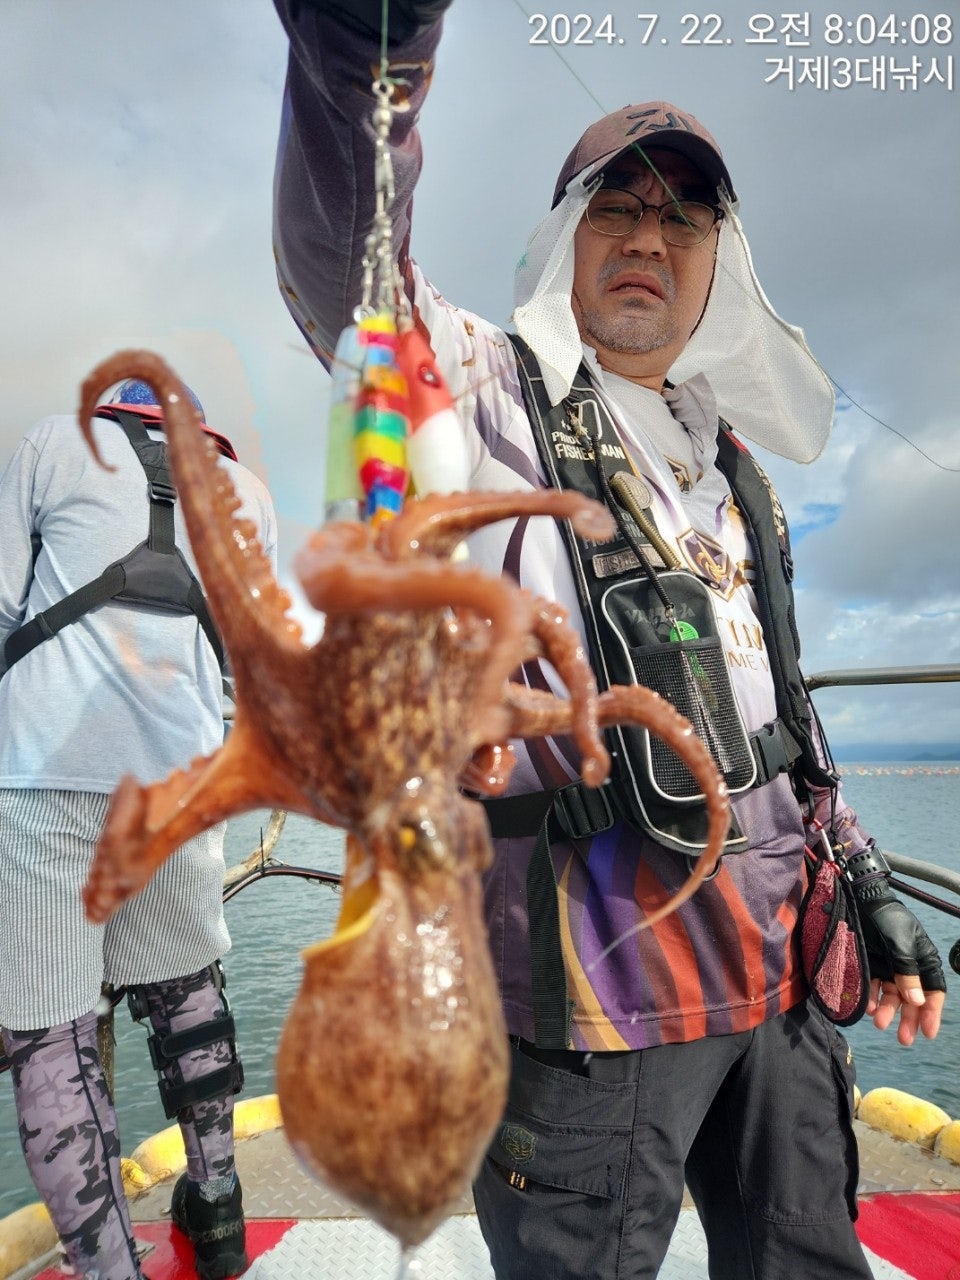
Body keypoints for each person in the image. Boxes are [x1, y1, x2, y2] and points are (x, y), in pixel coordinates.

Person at [268, 4, 947, 1277]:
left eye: (682, 217)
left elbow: (781, 712)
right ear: (564, 240)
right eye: (616, 207)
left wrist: (866, 875)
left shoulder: (736, 467)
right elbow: (342, 275)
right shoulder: (487, 391)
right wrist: (363, 63)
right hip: (596, 995)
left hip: (784, 979)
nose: (647, 235)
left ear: (718, 261)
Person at [0, 377, 278, 1280]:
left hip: (49, 773)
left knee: (53, 1035)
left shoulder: (53, 442)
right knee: (187, 991)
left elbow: (3, 605)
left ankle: (111, 1265)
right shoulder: (247, 494)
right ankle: (220, 1214)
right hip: (181, 782)